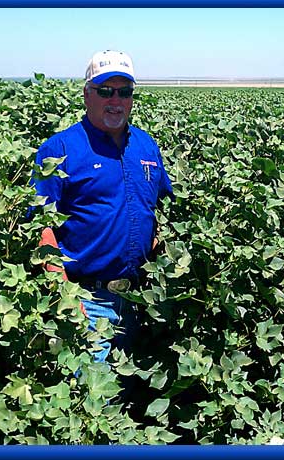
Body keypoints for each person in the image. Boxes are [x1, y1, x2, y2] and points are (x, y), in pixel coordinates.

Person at [32, 50, 173, 368]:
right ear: (87, 94)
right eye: (105, 91)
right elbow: (40, 227)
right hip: (85, 300)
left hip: (138, 299)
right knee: (90, 398)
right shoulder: (60, 149)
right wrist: (64, 295)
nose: (116, 101)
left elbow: (161, 209)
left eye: (124, 92)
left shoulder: (146, 146)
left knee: (124, 394)